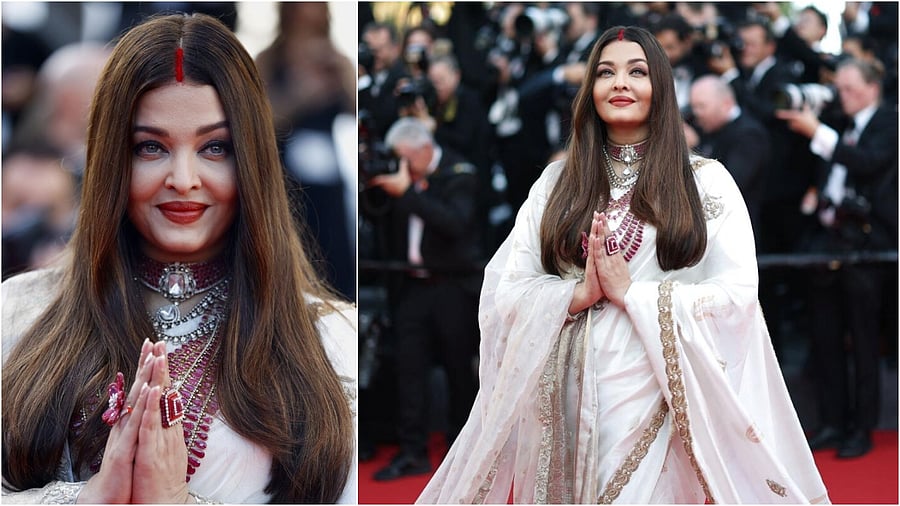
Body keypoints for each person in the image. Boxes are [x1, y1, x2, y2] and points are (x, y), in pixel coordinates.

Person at [417, 26, 828, 503]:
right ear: (590, 89)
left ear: (662, 87)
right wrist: (577, 295)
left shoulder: (706, 182)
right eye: (606, 72)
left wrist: (634, 294)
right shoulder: (557, 181)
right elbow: (505, 287)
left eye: (637, 71)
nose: (620, 84)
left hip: (665, 391)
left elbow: (738, 292)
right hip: (568, 391)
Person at [1, 13, 356, 503]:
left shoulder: (332, 338)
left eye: (214, 147)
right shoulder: (19, 314)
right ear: (111, 160)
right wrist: (90, 498)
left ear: (251, 161)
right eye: (151, 147)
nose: (184, 178)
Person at [777, 58, 898, 459]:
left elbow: (868, 164)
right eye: (839, 89)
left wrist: (819, 133)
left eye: (848, 89)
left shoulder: (888, 122)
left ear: (871, 88)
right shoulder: (841, 124)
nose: (840, 96)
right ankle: (831, 421)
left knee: (863, 340)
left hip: (866, 247)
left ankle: (861, 428)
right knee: (824, 336)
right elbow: (832, 168)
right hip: (826, 242)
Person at [364, 117, 481, 481]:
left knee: (458, 370)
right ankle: (412, 451)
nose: (400, 166)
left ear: (422, 150)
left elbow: (455, 224)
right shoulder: (403, 178)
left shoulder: (460, 173)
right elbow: (375, 216)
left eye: (403, 158)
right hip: (411, 285)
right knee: (408, 369)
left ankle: (461, 448)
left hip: (452, 287)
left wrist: (410, 194)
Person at [686, 74, 769, 241]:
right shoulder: (708, 128)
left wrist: (692, 149)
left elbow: (728, 185)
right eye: (694, 107)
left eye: (701, 107)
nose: (696, 114)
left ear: (726, 104)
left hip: (736, 234)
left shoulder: (749, 135)